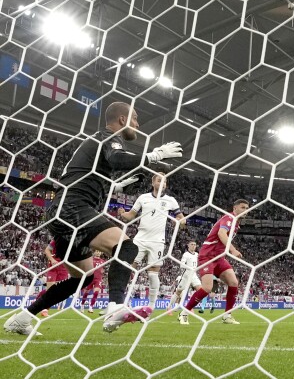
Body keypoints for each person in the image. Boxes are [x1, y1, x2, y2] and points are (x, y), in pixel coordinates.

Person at [4, 102, 183, 336]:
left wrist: (114, 185)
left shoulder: (94, 143)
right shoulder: (107, 137)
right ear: (122, 119)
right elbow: (118, 158)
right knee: (126, 247)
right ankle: (115, 308)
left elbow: (82, 176)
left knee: (83, 278)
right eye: (136, 119)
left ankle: (21, 319)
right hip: (73, 207)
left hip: (64, 211)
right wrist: (154, 155)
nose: (138, 125)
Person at [118, 173, 186, 310]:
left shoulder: (171, 200)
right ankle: (124, 302)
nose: (162, 183)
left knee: (153, 273)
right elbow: (131, 216)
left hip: (157, 241)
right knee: (129, 268)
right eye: (159, 180)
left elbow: (181, 219)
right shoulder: (143, 198)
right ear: (153, 182)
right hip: (140, 238)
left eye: (165, 181)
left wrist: (181, 222)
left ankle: (151, 306)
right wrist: (122, 214)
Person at [178, 199, 249, 325]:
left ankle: (227, 315)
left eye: (247, 208)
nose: (245, 210)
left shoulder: (236, 223)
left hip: (219, 257)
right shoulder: (229, 218)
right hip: (207, 256)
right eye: (242, 207)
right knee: (207, 288)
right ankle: (184, 312)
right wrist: (233, 250)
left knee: (233, 283)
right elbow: (222, 234)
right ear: (235, 208)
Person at [167, 241, 201, 318]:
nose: (193, 246)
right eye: (191, 244)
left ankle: (190, 307)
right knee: (178, 292)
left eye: (195, 245)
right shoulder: (185, 254)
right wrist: (190, 268)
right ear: (188, 245)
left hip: (194, 275)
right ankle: (169, 307)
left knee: (200, 290)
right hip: (186, 275)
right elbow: (182, 265)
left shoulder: (196, 254)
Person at [39, 239, 70, 317]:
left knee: (58, 291)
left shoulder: (73, 241)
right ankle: (45, 309)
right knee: (51, 289)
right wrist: (52, 260)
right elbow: (47, 250)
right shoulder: (57, 239)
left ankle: (38, 300)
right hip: (53, 266)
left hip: (64, 267)